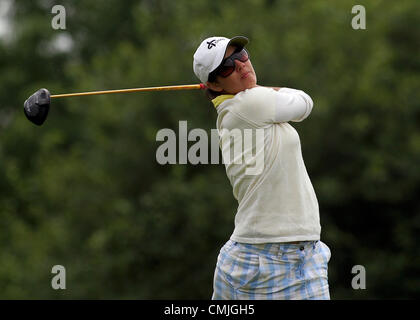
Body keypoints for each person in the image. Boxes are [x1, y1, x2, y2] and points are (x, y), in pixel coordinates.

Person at [193, 36, 331, 300]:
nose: (241, 65)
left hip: (283, 255)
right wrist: (260, 90)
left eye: (241, 55)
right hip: (270, 260)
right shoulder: (250, 104)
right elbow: (305, 103)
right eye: (227, 67)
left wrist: (256, 90)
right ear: (213, 84)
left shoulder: (239, 108)